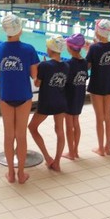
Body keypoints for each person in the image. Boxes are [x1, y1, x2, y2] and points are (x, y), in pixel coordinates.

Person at [0, 14, 39, 184]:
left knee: (9, 135)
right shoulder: (29, 49)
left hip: (6, 96)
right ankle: (21, 174)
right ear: (20, 29)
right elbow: (34, 75)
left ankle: (11, 173)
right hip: (24, 96)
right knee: (21, 135)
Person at [29, 35, 68, 172]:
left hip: (46, 103)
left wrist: (37, 71)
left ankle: (48, 158)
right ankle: (57, 162)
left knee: (32, 127)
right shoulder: (66, 66)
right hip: (61, 102)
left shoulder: (44, 65)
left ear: (51, 49)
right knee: (60, 131)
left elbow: (37, 83)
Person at [86, 19, 110, 156]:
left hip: (97, 85)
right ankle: (108, 147)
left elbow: (87, 66)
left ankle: (101, 148)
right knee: (107, 116)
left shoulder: (94, 48)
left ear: (98, 31)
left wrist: (89, 50)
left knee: (100, 117)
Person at [62, 33, 88, 160]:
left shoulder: (68, 64)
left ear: (69, 48)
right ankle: (75, 150)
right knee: (76, 122)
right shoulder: (84, 63)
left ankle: (71, 152)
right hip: (80, 96)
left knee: (69, 125)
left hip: (69, 97)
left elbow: (63, 81)